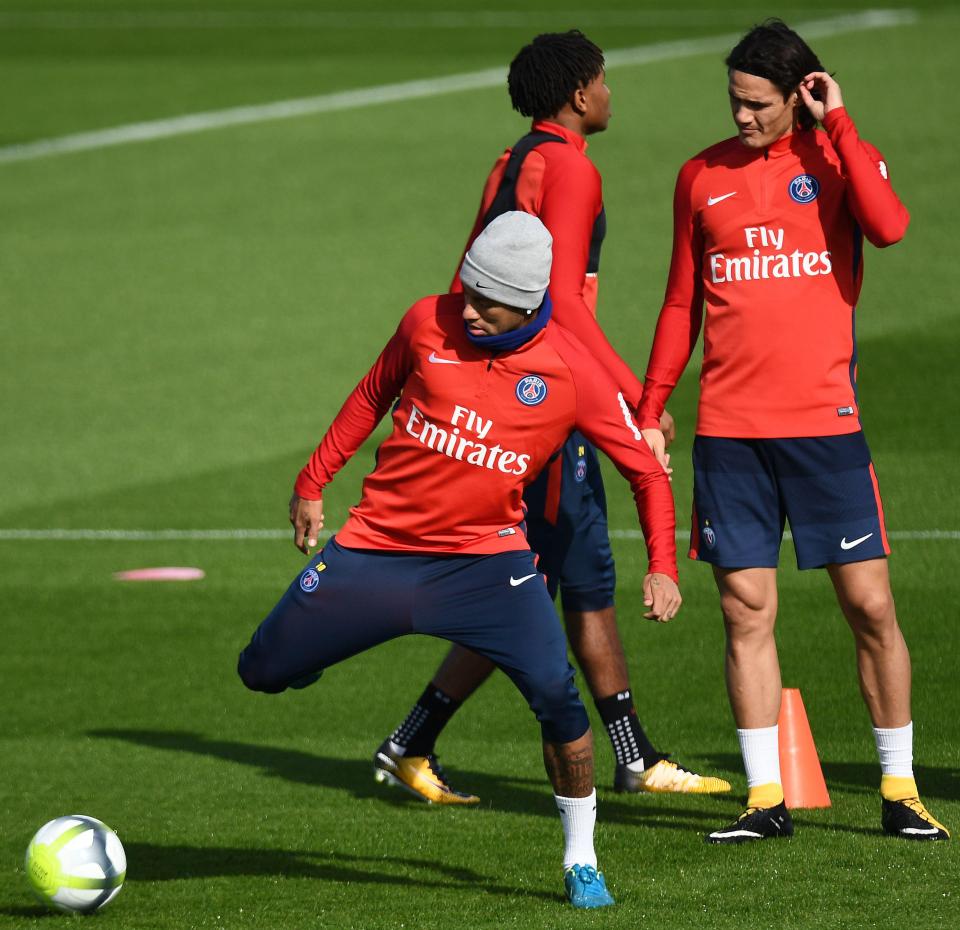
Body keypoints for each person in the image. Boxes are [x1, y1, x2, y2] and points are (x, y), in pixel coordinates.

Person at [238, 212, 682, 907]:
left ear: (531, 301)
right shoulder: (426, 322)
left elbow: (647, 472)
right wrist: (312, 480)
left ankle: (581, 860)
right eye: (467, 290)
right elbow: (370, 396)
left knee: (559, 702)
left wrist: (663, 564)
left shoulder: (571, 373)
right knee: (260, 671)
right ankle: (315, 646)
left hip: (487, 567)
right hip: (377, 548)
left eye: (486, 300)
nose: (466, 309)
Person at [373, 29, 729, 805]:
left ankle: (420, 741)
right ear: (578, 94)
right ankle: (603, 767)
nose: (610, 91)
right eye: (603, 79)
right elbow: (562, 304)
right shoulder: (570, 169)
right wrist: (636, 402)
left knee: (556, 580)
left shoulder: (510, 161)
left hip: (511, 396)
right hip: (551, 406)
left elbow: (469, 280)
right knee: (554, 586)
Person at [637, 19, 949, 843]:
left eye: (760, 103)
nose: (743, 116)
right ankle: (765, 797)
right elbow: (680, 301)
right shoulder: (700, 175)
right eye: (734, 100)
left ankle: (900, 789)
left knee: (871, 606)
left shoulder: (841, 161)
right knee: (745, 612)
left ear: (800, 94)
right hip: (731, 435)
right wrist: (653, 400)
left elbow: (890, 227)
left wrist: (837, 122)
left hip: (824, 428)